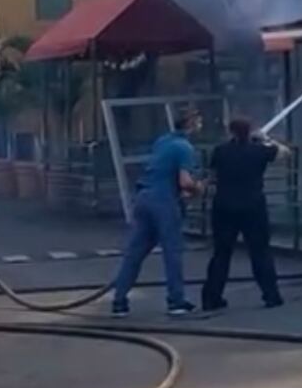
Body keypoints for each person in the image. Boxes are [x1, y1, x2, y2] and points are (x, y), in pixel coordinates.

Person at [108, 106, 203, 317]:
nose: (200, 125)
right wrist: (198, 188)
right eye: (198, 121)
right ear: (190, 123)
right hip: (164, 202)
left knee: (135, 253)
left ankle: (119, 301)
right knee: (172, 252)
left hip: (143, 197)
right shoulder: (184, 147)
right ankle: (176, 302)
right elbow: (185, 181)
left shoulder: (163, 141)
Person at [201, 118, 287, 312]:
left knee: (221, 254)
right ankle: (271, 295)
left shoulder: (221, 151)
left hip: (223, 206)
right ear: (249, 132)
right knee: (260, 252)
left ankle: (211, 298)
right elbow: (284, 153)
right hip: (253, 206)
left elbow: (213, 173)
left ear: (230, 131)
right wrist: (266, 139)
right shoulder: (259, 151)